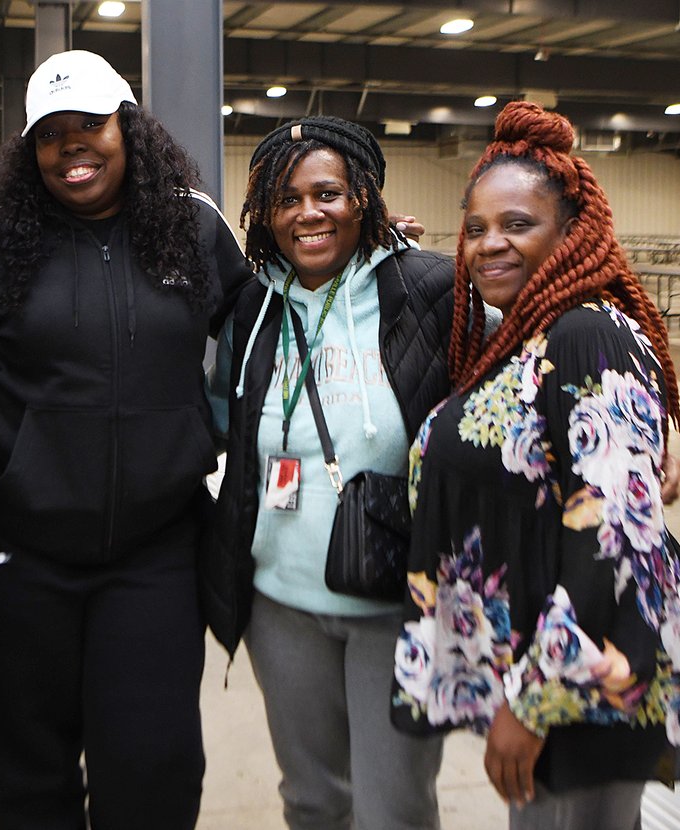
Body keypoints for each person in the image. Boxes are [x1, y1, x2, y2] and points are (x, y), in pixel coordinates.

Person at [0, 50, 253, 829]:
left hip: (152, 557)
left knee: (154, 773)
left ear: (128, 128)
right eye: (50, 135)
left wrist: (366, 258)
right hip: (17, 561)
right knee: (27, 779)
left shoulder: (193, 226)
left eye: (91, 126)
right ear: (30, 149)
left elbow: (261, 330)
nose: (72, 148)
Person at [390, 102, 680, 829]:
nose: (488, 245)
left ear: (572, 233)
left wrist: (536, 703)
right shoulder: (521, 338)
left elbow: (614, 536)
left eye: (517, 224)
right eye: (474, 229)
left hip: (586, 675)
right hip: (546, 662)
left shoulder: (588, 332)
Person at [204, 116, 453, 830]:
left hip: (398, 604)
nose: (308, 213)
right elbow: (221, 414)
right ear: (265, 214)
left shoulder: (429, 288)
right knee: (312, 801)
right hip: (281, 603)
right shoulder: (251, 307)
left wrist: (625, 427)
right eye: (287, 199)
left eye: (328, 194)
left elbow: (536, 355)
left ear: (363, 198)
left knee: (393, 809)